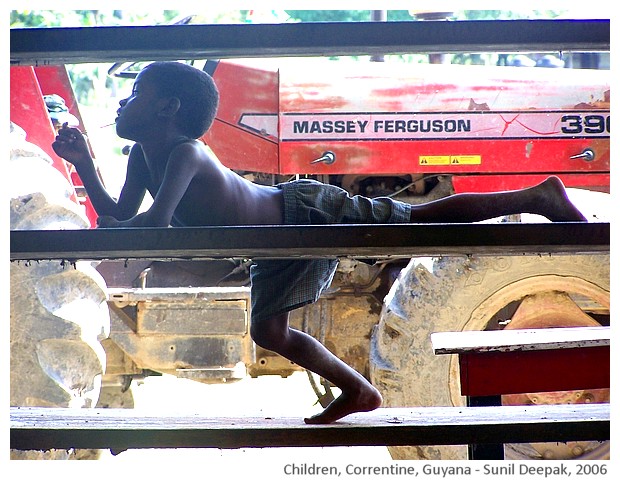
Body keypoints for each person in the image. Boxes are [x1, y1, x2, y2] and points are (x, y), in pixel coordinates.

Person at [52, 61, 587, 424]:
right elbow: (121, 215)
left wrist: (103, 237)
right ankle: (360, 391)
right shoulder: (142, 157)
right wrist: (83, 166)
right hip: (275, 245)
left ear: (167, 108)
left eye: (135, 94)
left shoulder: (186, 153)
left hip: (301, 214)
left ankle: (539, 195)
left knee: (408, 220)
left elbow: (158, 226)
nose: (122, 103)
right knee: (269, 332)